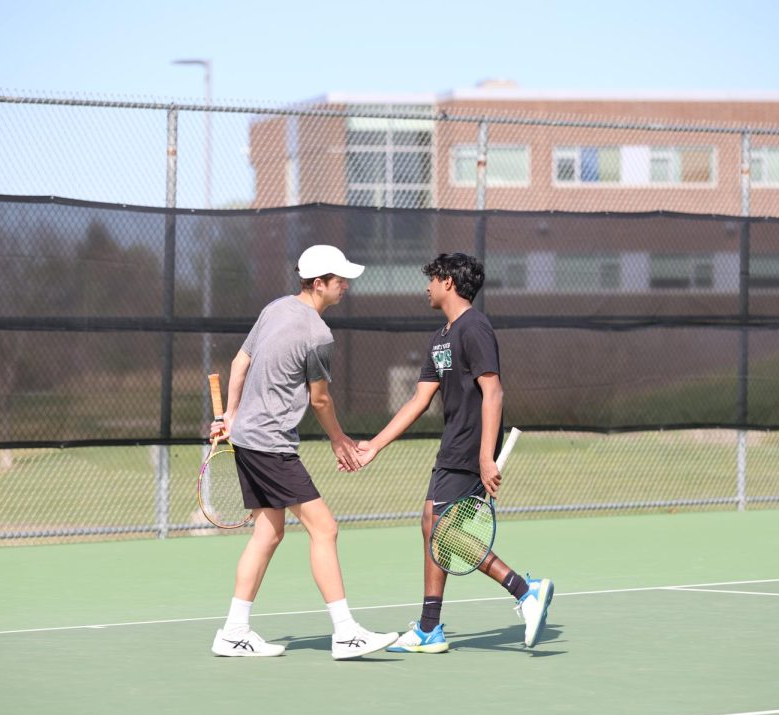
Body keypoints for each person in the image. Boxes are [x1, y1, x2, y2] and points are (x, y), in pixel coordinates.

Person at [356, 252, 554, 652]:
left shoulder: (475, 328)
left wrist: (485, 457)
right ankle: (430, 627)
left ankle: (525, 589)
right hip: (454, 442)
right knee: (432, 523)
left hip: (470, 444)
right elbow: (418, 400)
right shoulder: (441, 337)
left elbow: (493, 391)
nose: (425, 287)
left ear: (448, 282)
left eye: (431, 279)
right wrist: (375, 445)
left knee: (444, 531)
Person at [209, 244, 398, 660]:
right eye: (339, 280)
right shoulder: (318, 334)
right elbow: (320, 401)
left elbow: (240, 363)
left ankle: (233, 631)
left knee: (268, 532)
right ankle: (346, 633)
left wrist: (231, 417)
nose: (346, 285)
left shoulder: (274, 308)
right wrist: (339, 439)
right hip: (271, 445)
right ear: (319, 284)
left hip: (248, 440)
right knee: (325, 528)